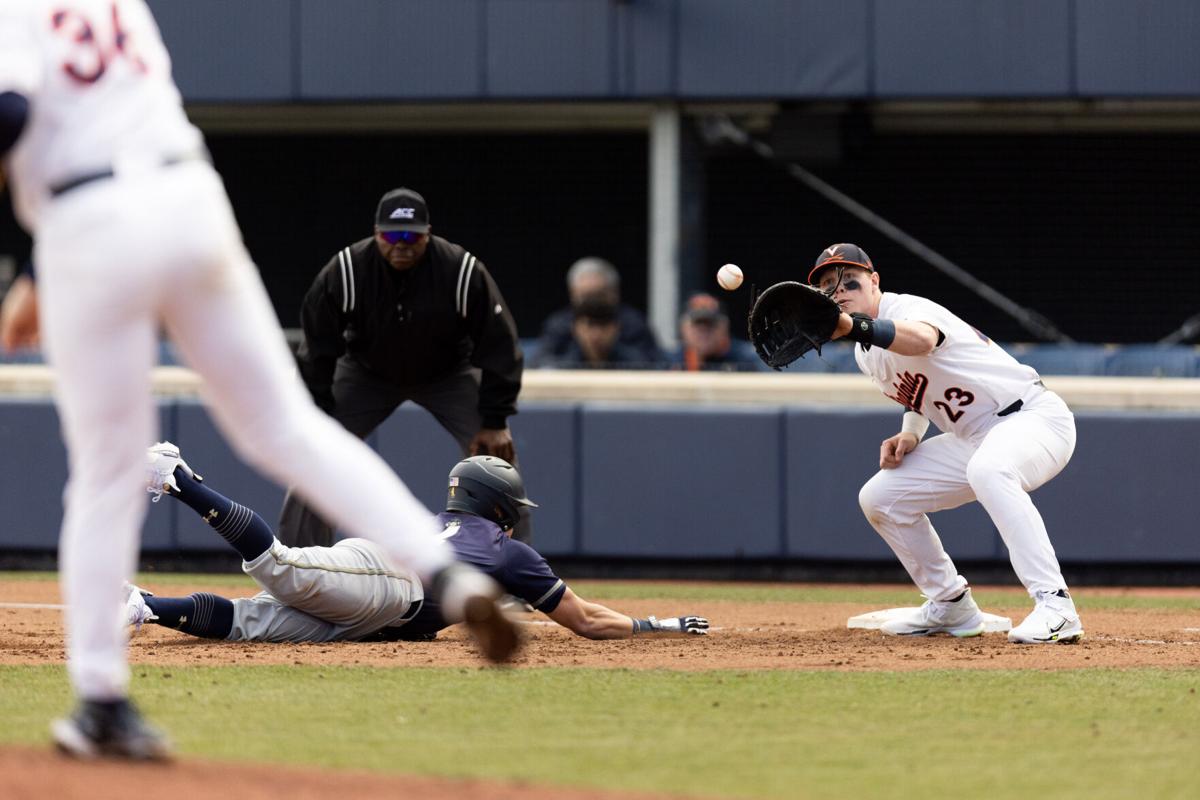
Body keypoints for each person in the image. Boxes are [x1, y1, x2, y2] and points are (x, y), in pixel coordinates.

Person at [0, 0, 515, 761]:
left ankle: (103, 702)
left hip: (86, 218)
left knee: (108, 472)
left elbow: (13, 111)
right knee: (288, 426)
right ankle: (443, 569)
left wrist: (39, 257)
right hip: (190, 199)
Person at [130, 443, 709, 643]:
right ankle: (180, 478)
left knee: (248, 624)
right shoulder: (506, 550)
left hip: (375, 609)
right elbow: (582, 620)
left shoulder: (433, 520)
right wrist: (654, 625)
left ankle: (145, 607)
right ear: (500, 507)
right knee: (279, 565)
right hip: (389, 581)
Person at [810, 243, 1082, 644]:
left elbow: (920, 341)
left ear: (874, 281)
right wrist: (911, 433)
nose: (840, 291)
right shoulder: (865, 354)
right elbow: (916, 392)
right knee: (881, 498)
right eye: (828, 286)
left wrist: (855, 326)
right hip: (973, 438)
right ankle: (951, 604)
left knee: (989, 469)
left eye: (849, 280)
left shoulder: (907, 309)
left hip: (1033, 418)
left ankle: (1056, 606)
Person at [283, 187, 532, 545]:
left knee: (497, 462)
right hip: (366, 371)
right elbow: (317, 349)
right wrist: (320, 416)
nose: (401, 243)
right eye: (391, 234)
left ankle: (517, 578)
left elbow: (500, 343)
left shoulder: (460, 270)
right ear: (376, 233)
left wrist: (495, 417)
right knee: (315, 456)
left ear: (427, 234)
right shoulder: (347, 271)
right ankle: (302, 569)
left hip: (449, 372)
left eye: (411, 236)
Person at [533, 256, 661, 365]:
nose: (592, 303)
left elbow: (655, 364)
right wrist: (581, 351)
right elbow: (540, 365)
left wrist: (610, 350)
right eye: (585, 296)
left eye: (598, 295)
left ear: (614, 293)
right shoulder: (559, 324)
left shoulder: (633, 323)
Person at [532, 295, 648, 368]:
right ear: (575, 329)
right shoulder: (560, 367)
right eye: (590, 325)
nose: (596, 334)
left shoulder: (638, 365)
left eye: (603, 325)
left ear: (616, 328)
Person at [675, 293, 759, 372]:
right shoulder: (673, 361)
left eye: (710, 324)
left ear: (724, 327)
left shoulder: (748, 359)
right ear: (683, 328)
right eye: (697, 325)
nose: (704, 332)